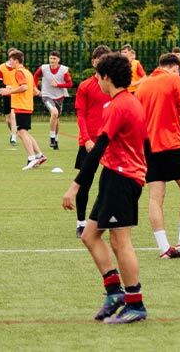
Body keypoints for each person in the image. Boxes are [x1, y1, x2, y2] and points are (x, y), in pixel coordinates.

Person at [61, 53, 150, 324]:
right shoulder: (130, 102)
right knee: (89, 235)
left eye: (98, 76)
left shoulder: (118, 105)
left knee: (120, 241)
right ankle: (114, 293)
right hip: (116, 177)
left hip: (122, 178)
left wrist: (74, 187)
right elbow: (144, 144)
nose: (96, 81)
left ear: (107, 77)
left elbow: (98, 148)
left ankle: (135, 303)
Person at [141, 53, 180, 259]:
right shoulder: (173, 79)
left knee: (155, 198)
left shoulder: (142, 85)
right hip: (171, 144)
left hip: (149, 147)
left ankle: (164, 248)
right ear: (175, 68)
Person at [70, 46, 113, 237]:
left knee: (110, 183)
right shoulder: (85, 86)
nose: (101, 62)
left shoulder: (114, 86)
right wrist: (86, 139)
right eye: (99, 59)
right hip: (88, 143)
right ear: (93, 62)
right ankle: (81, 222)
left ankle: (106, 217)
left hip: (110, 143)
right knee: (84, 182)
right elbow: (80, 115)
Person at [0, 50, 46, 170]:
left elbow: (24, 87)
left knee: (21, 133)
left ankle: (31, 158)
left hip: (21, 106)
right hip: (27, 105)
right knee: (25, 132)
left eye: (11, 60)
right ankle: (39, 155)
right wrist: (12, 88)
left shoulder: (18, 72)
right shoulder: (27, 72)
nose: (9, 63)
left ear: (16, 60)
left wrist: (8, 91)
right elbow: (34, 91)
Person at [34, 51, 74, 152]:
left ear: (58, 60)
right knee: (54, 112)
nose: (52, 60)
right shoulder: (44, 68)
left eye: (54, 59)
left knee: (56, 118)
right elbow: (35, 76)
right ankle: (52, 138)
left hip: (59, 97)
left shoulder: (64, 70)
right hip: (47, 95)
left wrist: (58, 85)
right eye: (51, 58)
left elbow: (70, 84)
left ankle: (56, 139)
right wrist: (35, 88)